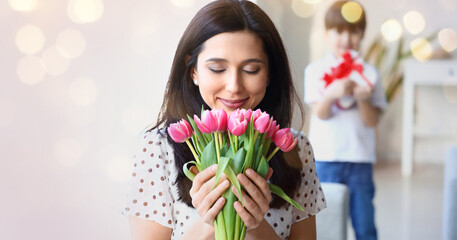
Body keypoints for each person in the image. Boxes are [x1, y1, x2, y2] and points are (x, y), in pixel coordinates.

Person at [123, 0, 326, 239]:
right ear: (194, 71)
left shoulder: (295, 148)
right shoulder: (157, 149)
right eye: (217, 69)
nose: (234, 87)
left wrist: (255, 224)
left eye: (251, 70)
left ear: (270, 73)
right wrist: (210, 221)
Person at [304, 1, 387, 240]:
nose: (346, 38)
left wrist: (363, 99)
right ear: (327, 34)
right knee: (327, 224)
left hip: (359, 159)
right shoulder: (316, 70)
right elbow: (321, 113)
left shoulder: (370, 74)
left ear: (361, 33)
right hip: (326, 159)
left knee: (365, 224)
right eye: (339, 31)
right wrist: (331, 93)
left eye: (353, 31)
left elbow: (372, 121)